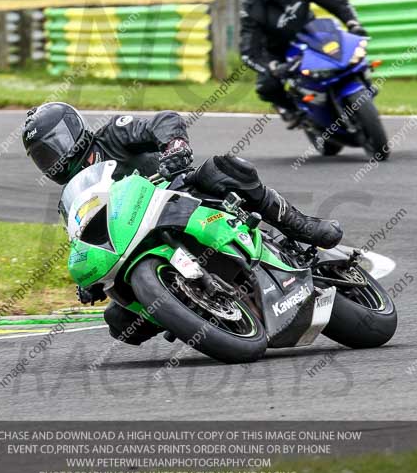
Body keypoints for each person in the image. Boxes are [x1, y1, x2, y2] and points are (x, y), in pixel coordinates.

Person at [22, 102, 343, 345]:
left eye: (55, 145)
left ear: (75, 130)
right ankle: (186, 306)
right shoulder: (72, 200)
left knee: (224, 168)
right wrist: (88, 280)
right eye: (43, 156)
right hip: (138, 244)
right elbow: (86, 240)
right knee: (119, 323)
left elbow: (164, 120)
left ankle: (299, 225)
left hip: (180, 195)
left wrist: (174, 145)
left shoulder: (113, 134)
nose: (53, 159)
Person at [240, 0, 367, 127]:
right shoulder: (252, 7)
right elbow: (248, 52)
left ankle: (362, 81)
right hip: (277, 49)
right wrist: (271, 67)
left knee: (349, 52)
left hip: (312, 34)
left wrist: (352, 24)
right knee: (266, 87)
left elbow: (335, 2)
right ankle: (291, 109)